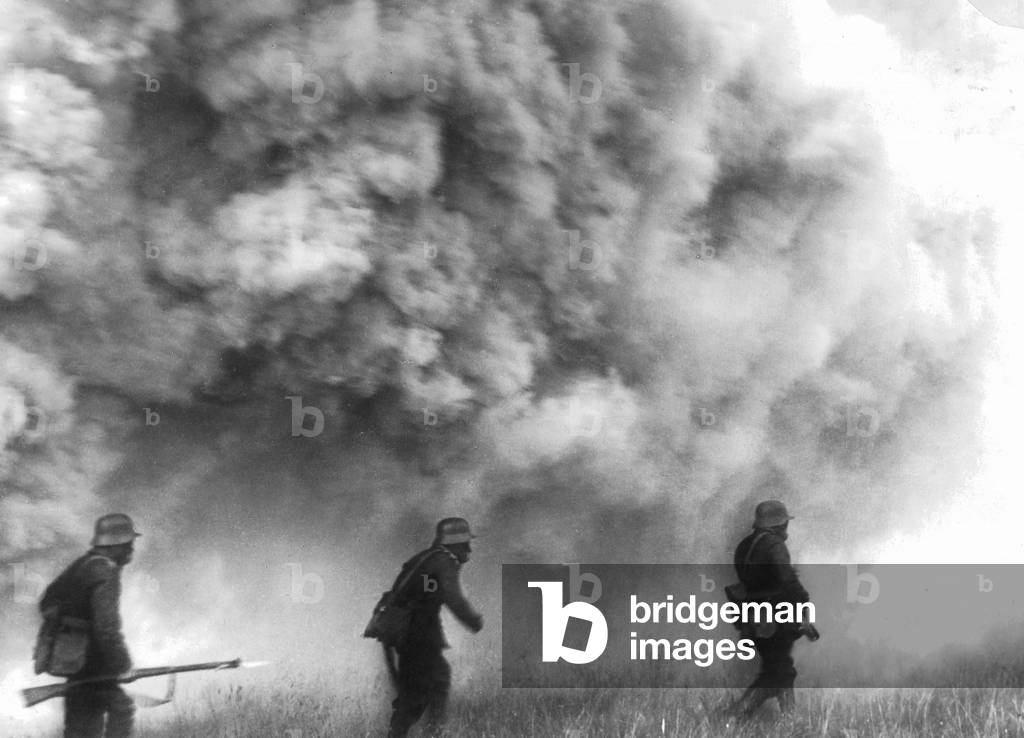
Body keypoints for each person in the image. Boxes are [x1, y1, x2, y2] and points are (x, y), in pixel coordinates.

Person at [39, 513, 141, 738]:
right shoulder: (105, 569)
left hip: (73, 663)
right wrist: (123, 666)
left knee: (83, 726)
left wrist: (70, 627)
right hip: (95, 664)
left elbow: (47, 602)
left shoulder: (83, 564)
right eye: (128, 543)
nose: (131, 549)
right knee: (122, 709)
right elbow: (107, 629)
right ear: (117, 543)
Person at [385, 517, 483, 738]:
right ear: (453, 544)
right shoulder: (443, 561)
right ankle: (429, 733)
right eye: (464, 543)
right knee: (422, 690)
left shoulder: (428, 558)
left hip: (411, 634)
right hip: (417, 635)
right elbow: (453, 597)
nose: (468, 549)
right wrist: (474, 621)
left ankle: (428, 732)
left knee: (430, 684)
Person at [729, 500, 815, 718]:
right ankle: (734, 715)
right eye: (785, 523)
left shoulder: (744, 545)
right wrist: (804, 602)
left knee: (781, 670)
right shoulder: (774, 545)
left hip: (752, 618)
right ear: (779, 524)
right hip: (774, 618)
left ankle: (791, 721)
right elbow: (787, 580)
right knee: (777, 673)